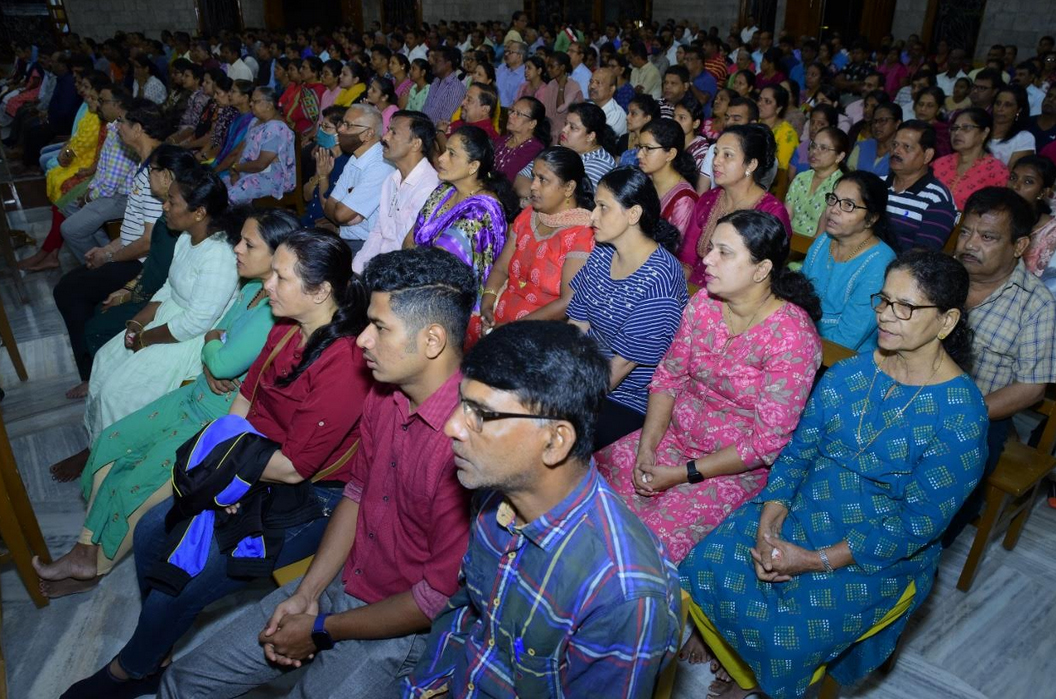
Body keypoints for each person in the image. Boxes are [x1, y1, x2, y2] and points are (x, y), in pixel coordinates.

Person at [136, 247, 474, 699]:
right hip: (341, 580)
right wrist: (307, 593)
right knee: (185, 681)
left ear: (432, 340)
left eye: (379, 328)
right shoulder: (384, 396)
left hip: (402, 625)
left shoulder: (470, 445)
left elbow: (432, 599)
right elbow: (356, 494)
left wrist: (320, 628)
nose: (361, 341)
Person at [60, 232, 378, 699]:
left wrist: (228, 476)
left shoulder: (344, 363)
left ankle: (131, 669)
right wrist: (218, 470)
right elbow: (246, 398)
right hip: (251, 466)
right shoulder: (284, 327)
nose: (267, 284)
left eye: (280, 276)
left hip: (313, 497)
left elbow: (294, 467)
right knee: (152, 531)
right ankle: (158, 648)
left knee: (184, 579)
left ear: (321, 291)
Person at [680, 249, 988, 699]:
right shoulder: (849, 372)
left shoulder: (962, 414)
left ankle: (759, 680)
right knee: (706, 562)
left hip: (876, 546)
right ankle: (733, 655)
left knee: (787, 637)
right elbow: (798, 452)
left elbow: (917, 524)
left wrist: (811, 560)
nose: (886, 315)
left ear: (946, 321)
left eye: (905, 307)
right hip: (805, 504)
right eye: (883, 301)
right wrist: (772, 515)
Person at [405, 321, 682, 697]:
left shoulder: (620, 594)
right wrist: (423, 686)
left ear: (555, 441)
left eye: (481, 414)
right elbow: (466, 611)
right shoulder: (494, 497)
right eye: (460, 404)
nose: (452, 426)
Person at [33, 210, 297, 596]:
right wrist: (215, 348)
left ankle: (97, 564)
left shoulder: (273, 311)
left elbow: (222, 356)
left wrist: (214, 346)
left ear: (278, 255)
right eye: (239, 239)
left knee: (139, 481)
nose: (237, 249)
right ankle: (84, 546)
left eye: (248, 244)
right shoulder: (249, 289)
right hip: (197, 394)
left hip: (220, 418)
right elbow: (219, 345)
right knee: (112, 441)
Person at [596, 209, 821, 563]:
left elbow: (765, 443)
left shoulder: (793, 338)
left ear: (761, 270)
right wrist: (647, 447)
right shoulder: (703, 304)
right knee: (585, 497)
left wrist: (681, 475)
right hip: (670, 437)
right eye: (710, 247)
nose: (707, 259)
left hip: (729, 468)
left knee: (643, 550)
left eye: (724, 252)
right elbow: (668, 378)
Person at [83, 167, 240, 443]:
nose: (164, 207)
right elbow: (170, 286)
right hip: (167, 320)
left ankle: (113, 454)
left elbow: (196, 322)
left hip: (191, 339)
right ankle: (98, 441)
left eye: (172, 202)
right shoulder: (186, 237)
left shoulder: (218, 255)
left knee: (117, 394)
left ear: (199, 212)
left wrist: (145, 339)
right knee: (104, 361)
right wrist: (137, 321)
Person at [945, 187, 1056, 546]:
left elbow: (1031, 387)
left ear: (1020, 246)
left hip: (980, 414)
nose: (970, 244)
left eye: (988, 237)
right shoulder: (941, 276)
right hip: (912, 393)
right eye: (966, 232)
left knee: (946, 498)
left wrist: (965, 413)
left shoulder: (1036, 305)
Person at [52, 100, 173, 400]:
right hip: (132, 252)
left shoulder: (158, 171)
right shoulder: (144, 165)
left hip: (145, 262)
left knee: (69, 291)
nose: (116, 127)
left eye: (122, 122)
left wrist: (111, 256)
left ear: (138, 129)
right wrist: (109, 248)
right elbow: (133, 228)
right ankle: (96, 368)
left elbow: (149, 240)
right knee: (73, 287)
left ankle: (92, 373)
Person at [567, 167, 689, 449]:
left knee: (551, 433)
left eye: (603, 208)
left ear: (633, 214)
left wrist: (566, 397)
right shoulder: (603, 252)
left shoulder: (660, 280)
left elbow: (621, 366)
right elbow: (577, 326)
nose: (592, 216)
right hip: (586, 376)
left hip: (627, 398)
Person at [480, 146, 594, 333]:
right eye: (534, 177)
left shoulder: (583, 233)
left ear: (569, 188)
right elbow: (501, 267)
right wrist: (487, 304)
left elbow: (567, 302)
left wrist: (510, 329)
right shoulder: (528, 215)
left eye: (543, 180)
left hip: (540, 335)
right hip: (499, 321)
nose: (533, 185)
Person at [410, 125, 515, 323]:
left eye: (452, 154)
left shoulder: (481, 211)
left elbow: (444, 267)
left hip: (450, 302)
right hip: (422, 282)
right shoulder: (444, 191)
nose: (441, 158)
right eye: (444, 151)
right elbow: (411, 238)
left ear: (473, 166)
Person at [680, 124, 790, 285]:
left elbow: (766, 276)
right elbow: (687, 260)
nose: (716, 161)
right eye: (716, 153)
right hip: (696, 288)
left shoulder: (771, 213)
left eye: (727, 155)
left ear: (751, 165)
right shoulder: (708, 200)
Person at [803, 171, 898, 350]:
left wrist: (797, 342)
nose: (834, 209)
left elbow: (846, 340)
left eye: (848, 205)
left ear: (871, 218)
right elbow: (798, 298)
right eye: (833, 199)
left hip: (844, 358)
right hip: (802, 339)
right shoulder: (823, 242)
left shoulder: (879, 263)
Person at [353, 110, 440, 274]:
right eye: (387, 131)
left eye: (393, 132)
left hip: (401, 273)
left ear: (415, 144)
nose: (384, 137)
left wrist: (373, 277)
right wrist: (357, 270)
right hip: (380, 268)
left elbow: (405, 246)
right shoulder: (392, 180)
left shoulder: (430, 187)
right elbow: (378, 232)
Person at [322, 105, 395, 254]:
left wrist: (341, 213)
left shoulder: (381, 165)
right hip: (347, 238)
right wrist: (342, 215)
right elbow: (330, 206)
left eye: (348, 125)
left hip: (367, 245)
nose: (340, 129)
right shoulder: (355, 158)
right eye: (342, 123)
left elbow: (340, 214)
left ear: (368, 134)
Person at [885, 120, 957, 251]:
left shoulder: (937, 198)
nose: (896, 151)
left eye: (906, 147)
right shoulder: (877, 185)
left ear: (927, 155)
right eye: (895, 144)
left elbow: (922, 257)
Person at [223, 86, 296, 204]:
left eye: (255, 101)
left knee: (226, 199)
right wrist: (234, 172)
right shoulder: (255, 122)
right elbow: (242, 149)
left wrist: (237, 168)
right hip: (247, 172)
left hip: (269, 178)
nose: (251, 104)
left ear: (269, 105)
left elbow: (261, 165)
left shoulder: (277, 128)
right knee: (219, 188)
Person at [932, 108, 1009, 213]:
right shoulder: (939, 164)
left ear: (984, 133)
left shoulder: (998, 172)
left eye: (966, 128)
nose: (957, 133)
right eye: (954, 128)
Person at [637, 118, 699, 236]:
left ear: (670, 154)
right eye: (640, 147)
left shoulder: (684, 200)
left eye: (648, 148)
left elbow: (674, 247)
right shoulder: (644, 181)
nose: (639, 154)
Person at [786, 126, 850, 238]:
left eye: (823, 148)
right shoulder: (801, 178)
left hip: (817, 247)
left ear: (840, 156)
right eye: (813, 146)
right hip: (789, 242)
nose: (815, 152)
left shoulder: (841, 186)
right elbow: (786, 217)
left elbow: (822, 235)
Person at [1008, 155, 1056, 276]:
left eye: (1028, 181)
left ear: (1043, 192)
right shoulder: (996, 218)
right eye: (1013, 177)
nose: (1015, 186)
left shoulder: (1052, 232)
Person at [560, 102, 617, 190]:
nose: (564, 130)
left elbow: (579, 198)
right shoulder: (563, 149)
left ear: (590, 136)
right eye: (565, 124)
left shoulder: (599, 164)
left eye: (572, 127)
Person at [493, 95, 547, 181]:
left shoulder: (534, 149)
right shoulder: (502, 140)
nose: (511, 116)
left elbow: (510, 179)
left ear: (532, 123)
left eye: (518, 114)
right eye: (512, 111)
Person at [848, 103, 901, 177]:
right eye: (874, 121)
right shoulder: (862, 146)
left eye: (883, 120)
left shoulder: (901, 151)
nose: (876, 125)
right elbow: (849, 175)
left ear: (897, 123)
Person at [539, 51, 582, 144]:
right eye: (548, 66)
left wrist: (561, 87)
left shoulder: (573, 86)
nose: (548, 69)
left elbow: (560, 108)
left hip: (567, 132)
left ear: (562, 67)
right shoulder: (551, 84)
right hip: (550, 131)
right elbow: (546, 111)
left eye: (552, 66)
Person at [989, 86, 1036, 168]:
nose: (1000, 109)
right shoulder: (981, 129)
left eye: (1007, 105)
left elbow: (1013, 174)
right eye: (998, 103)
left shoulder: (1024, 138)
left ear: (1019, 109)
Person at [422, 46, 467, 124]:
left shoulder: (456, 88)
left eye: (437, 61)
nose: (433, 63)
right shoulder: (435, 82)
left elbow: (444, 121)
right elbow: (426, 110)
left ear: (448, 64)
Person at [617, 93, 661, 166]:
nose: (627, 117)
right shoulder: (624, 139)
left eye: (633, 114)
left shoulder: (655, 144)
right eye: (628, 113)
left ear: (647, 118)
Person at [588, 66, 627, 137]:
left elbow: (601, 141)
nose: (592, 86)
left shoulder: (616, 114)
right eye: (591, 82)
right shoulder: (588, 106)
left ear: (611, 89)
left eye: (598, 83)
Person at [495, 39, 526, 108]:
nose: (506, 54)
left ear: (520, 56)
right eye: (506, 51)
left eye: (510, 52)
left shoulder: (524, 75)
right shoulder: (502, 68)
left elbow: (516, 102)